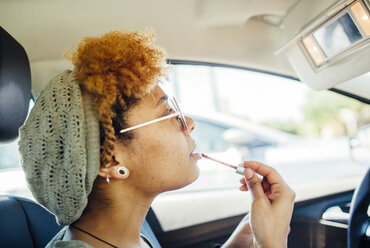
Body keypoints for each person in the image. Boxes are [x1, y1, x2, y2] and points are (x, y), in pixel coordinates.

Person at [18, 29, 295, 248]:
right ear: (110, 158)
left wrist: (244, 238)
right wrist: (273, 243)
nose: (190, 124)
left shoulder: (124, 234)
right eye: (169, 113)